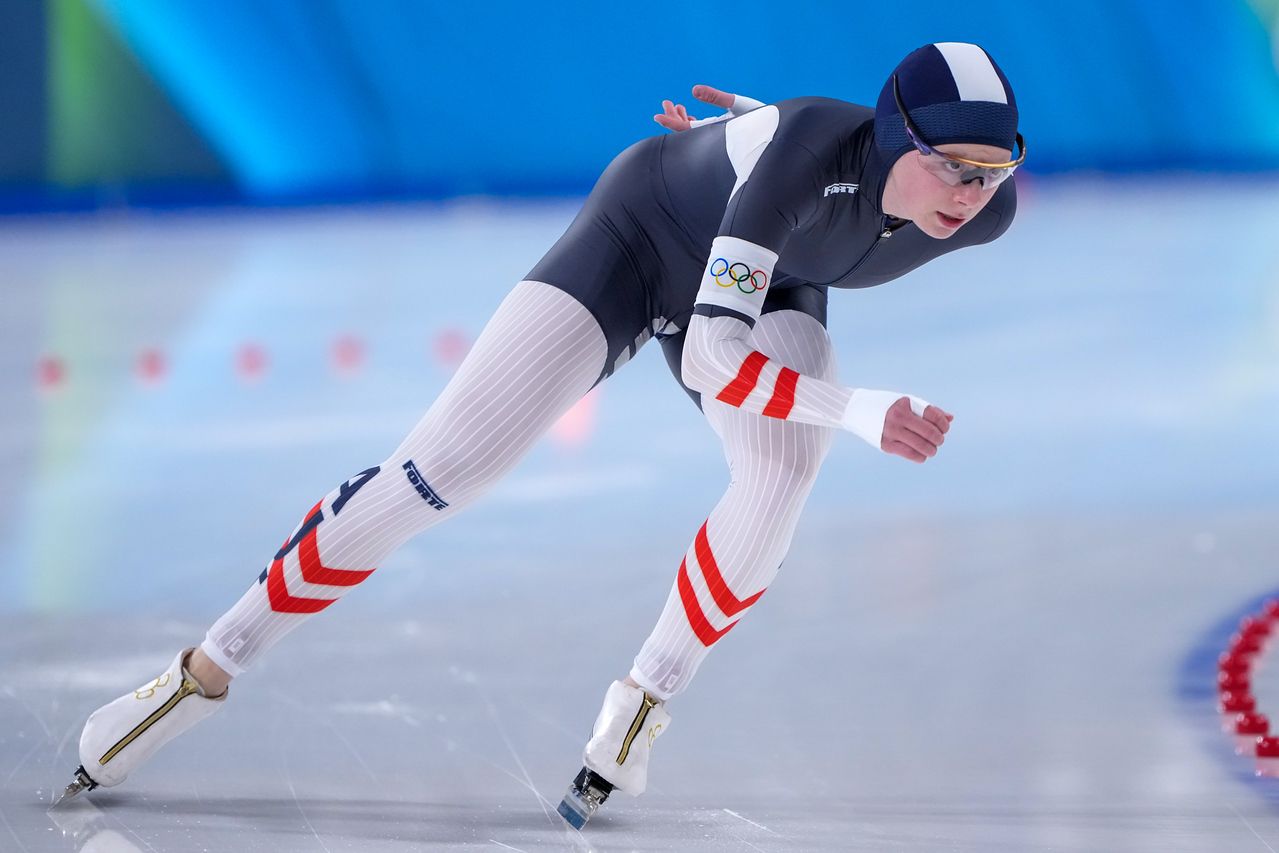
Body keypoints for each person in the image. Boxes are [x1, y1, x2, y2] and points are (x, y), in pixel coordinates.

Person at [56, 42, 1023, 829]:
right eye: (950, 166)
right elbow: (711, 361)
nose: (971, 193)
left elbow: (839, 191)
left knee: (779, 475)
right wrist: (858, 407)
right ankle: (205, 668)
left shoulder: (981, 213)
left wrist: (752, 137)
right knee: (440, 475)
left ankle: (642, 702)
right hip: (641, 238)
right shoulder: (808, 159)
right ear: (897, 137)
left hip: (767, 271)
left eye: (994, 168)